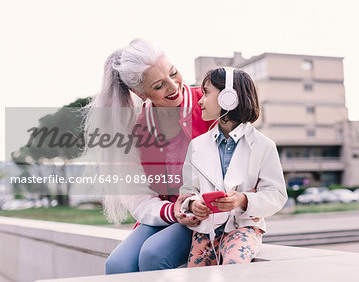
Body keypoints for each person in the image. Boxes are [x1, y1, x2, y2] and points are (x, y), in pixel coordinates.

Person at [83, 38, 212, 274]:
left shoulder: (209, 108)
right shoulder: (134, 128)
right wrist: (172, 211)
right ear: (139, 92)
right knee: (117, 264)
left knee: (154, 254)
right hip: (166, 212)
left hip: (204, 212)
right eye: (159, 85)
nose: (174, 87)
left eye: (174, 73)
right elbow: (138, 198)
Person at [179, 67, 287, 266]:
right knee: (196, 271)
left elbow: (277, 195)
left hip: (244, 227)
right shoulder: (197, 146)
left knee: (234, 263)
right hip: (206, 230)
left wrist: (244, 199)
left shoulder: (264, 146)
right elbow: (187, 190)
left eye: (206, 92)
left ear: (228, 97)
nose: (200, 100)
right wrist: (193, 204)